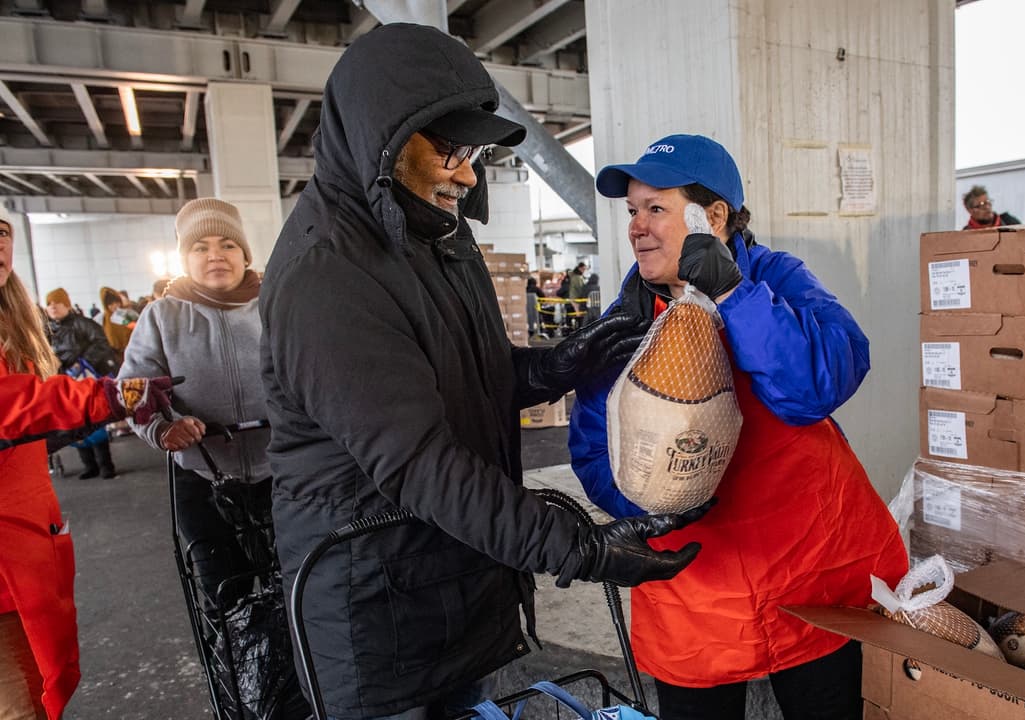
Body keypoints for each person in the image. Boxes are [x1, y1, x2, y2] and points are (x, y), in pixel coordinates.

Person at [259, 24, 710, 720]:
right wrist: (582, 549)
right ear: (385, 136)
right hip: (374, 614)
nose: (468, 174)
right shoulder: (328, 277)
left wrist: (569, 359)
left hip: (442, 574)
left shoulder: (434, 234)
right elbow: (420, 464)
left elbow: (476, 376)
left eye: (473, 153)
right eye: (451, 149)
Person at [569, 134, 909, 720]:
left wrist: (732, 293)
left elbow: (814, 387)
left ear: (714, 215)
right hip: (695, 589)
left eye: (656, 209)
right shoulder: (625, 320)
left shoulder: (778, 279)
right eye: (632, 211)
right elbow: (594, 446)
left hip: (813, 571)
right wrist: (644, 499)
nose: (636, 227)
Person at [0, 206, 173, 720]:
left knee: (35, 689)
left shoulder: (14, 325)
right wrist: (105, 398)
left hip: (25, 537)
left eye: (2, 232)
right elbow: (11, 403)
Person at [120, 198, 276, 606]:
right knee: (227, 595)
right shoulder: (161, 317)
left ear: (244, 253)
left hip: (280, 474)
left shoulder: (276, 306)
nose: (215, 256)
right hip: (203, 481)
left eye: (227, 244)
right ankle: (235, 667)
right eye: (200, 247)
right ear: (184, 257)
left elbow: (309, 371)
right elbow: (133, 389)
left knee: (295, 588)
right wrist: (163, 427)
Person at [44, 288, 120, 479]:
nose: (52, 307)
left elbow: (102, 344)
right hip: (63, 381)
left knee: (94, 419)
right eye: (49, 303)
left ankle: (106, 465)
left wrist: (83, 362)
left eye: (56, 302)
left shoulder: (83, 324)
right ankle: (89, 465)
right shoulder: (48, 329)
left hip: (87, 378)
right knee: (73, 421)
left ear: (66, 304)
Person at [98, 286, 135, 358]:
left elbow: (135, 327)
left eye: (117, 303)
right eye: (111, 304)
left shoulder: (128, 314)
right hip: (114, 356)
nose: (115, 306)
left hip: (131, 353)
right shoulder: (102, 319)